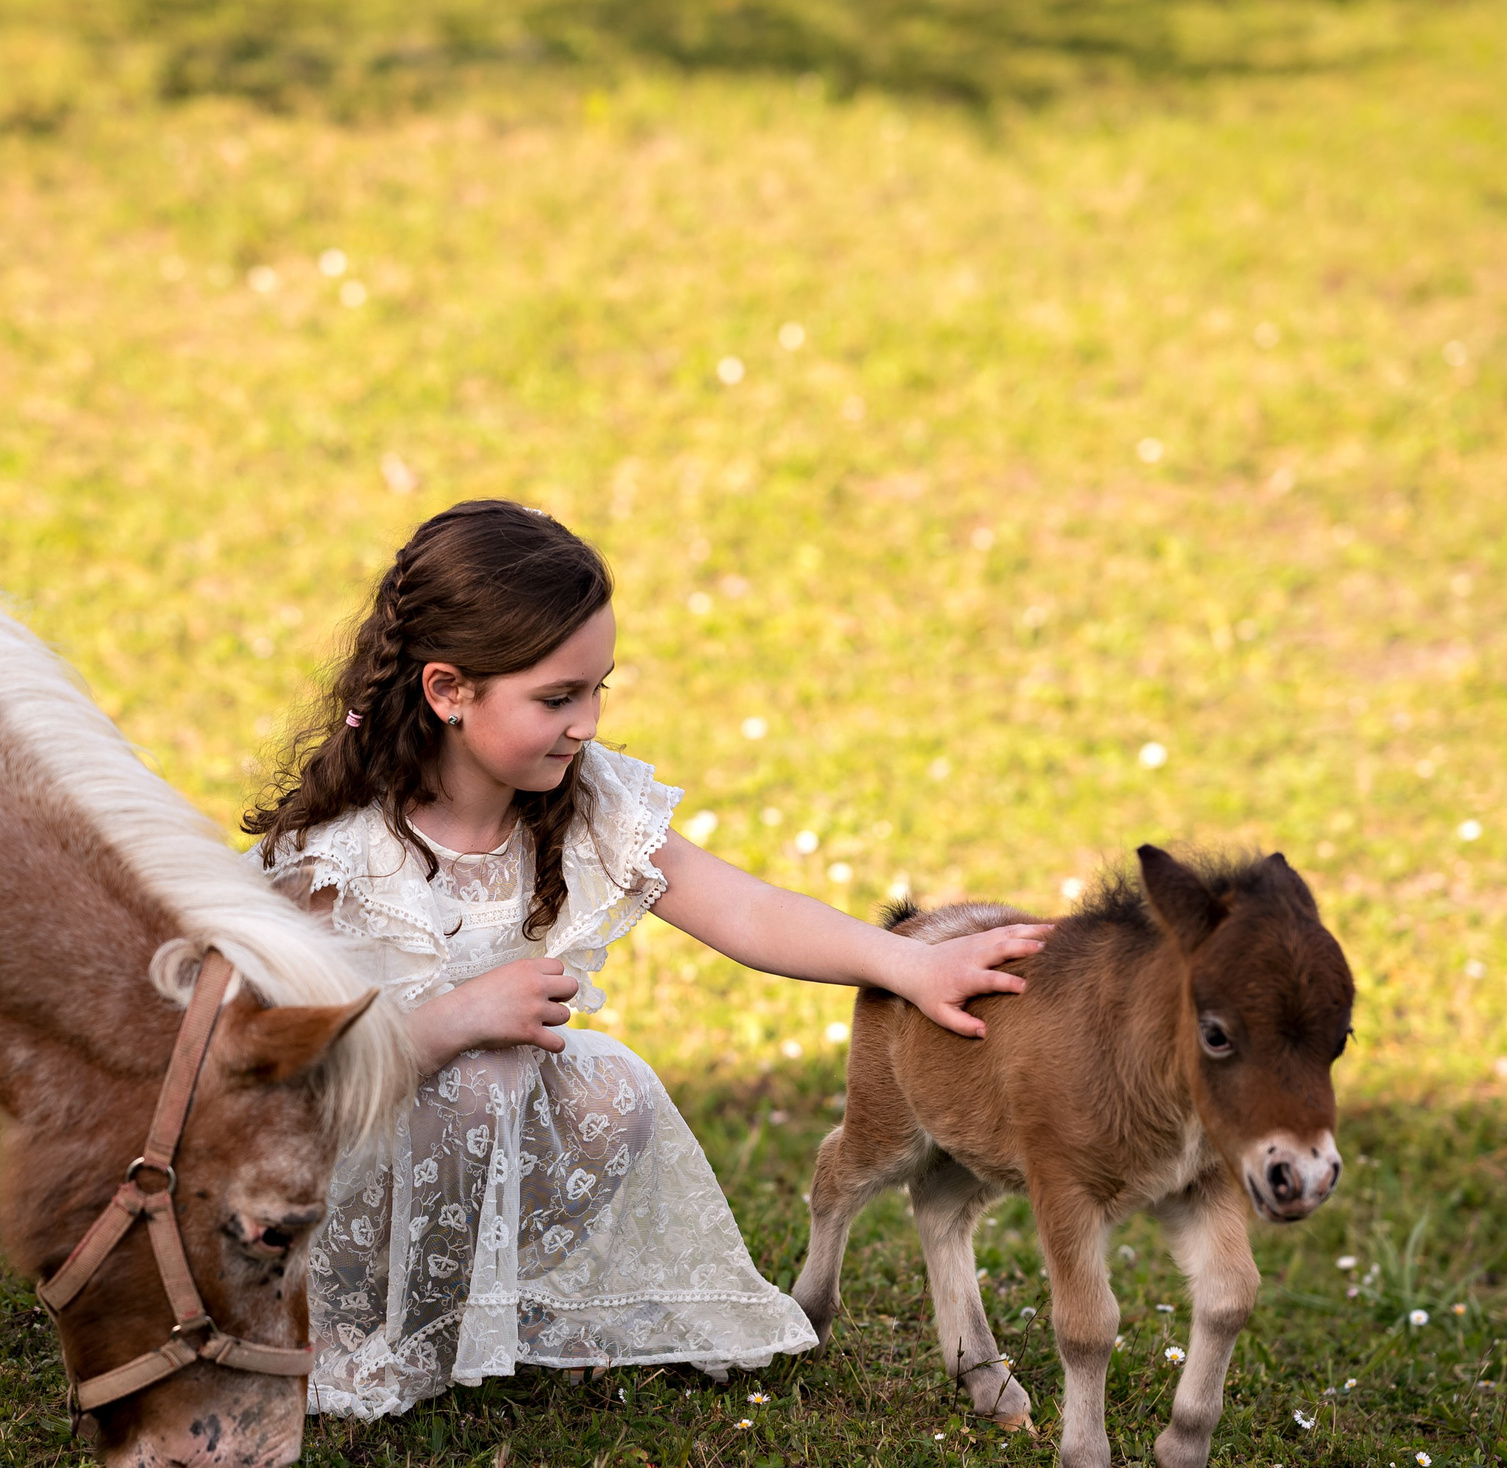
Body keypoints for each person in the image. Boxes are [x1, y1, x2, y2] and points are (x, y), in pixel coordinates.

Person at [244, 499, 1051, 1420]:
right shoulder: (341, 859)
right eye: (556, 697)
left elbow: (744, 908)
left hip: (460, 1143)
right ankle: (350, 1322)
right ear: (447, 690)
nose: (586, 723)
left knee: (603, 1089)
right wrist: (455, 1019)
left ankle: (479, 1302)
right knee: (484, 1073)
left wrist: (907, 964)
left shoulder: (576, 800)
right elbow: (268, 1078)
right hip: (330, 1178)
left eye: (598, 690)